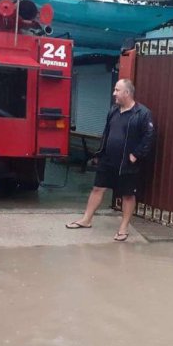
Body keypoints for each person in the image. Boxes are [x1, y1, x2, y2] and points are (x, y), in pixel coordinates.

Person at [66, 78, 155, 241]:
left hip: (127, 163)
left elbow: (148, 138)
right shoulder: (113, 110)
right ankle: (86, 220)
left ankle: (123, 228)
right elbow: (107, 133)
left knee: (127, 195)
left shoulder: (142, 113)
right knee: (97, 188)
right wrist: (100, 153)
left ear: (127, 93)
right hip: (108, 160)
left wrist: (136, 155)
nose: (114, 93)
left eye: (117, 90)